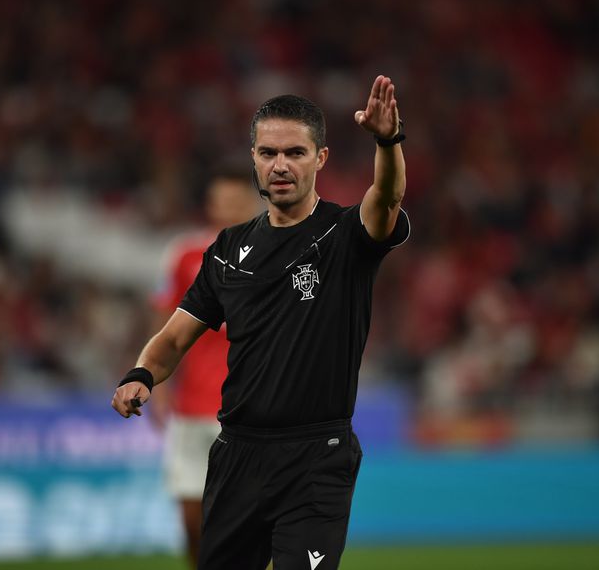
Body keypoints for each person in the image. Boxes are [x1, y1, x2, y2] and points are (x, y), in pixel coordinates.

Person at [112, 75, 409, 569]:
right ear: (254, 157)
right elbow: (175, 337)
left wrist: (388, 141)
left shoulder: (346, 234)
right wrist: (141, 373)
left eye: (295, 153)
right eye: (268, 153)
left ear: (321, 158)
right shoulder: (227, 250)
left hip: (317, 455)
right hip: (238, 455)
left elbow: (388, 197)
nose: (280, 165)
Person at [150, 169, 262, 568]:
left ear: (252, 204)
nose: (228, 211)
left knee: (251, 521)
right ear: (210, 206)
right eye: (221, 202)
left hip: (251, 410)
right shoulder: (184, 255)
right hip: (192, 409)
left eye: (236, 202)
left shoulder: (278, 254)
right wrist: (157, 386)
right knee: (192, 522)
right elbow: (164, 324)